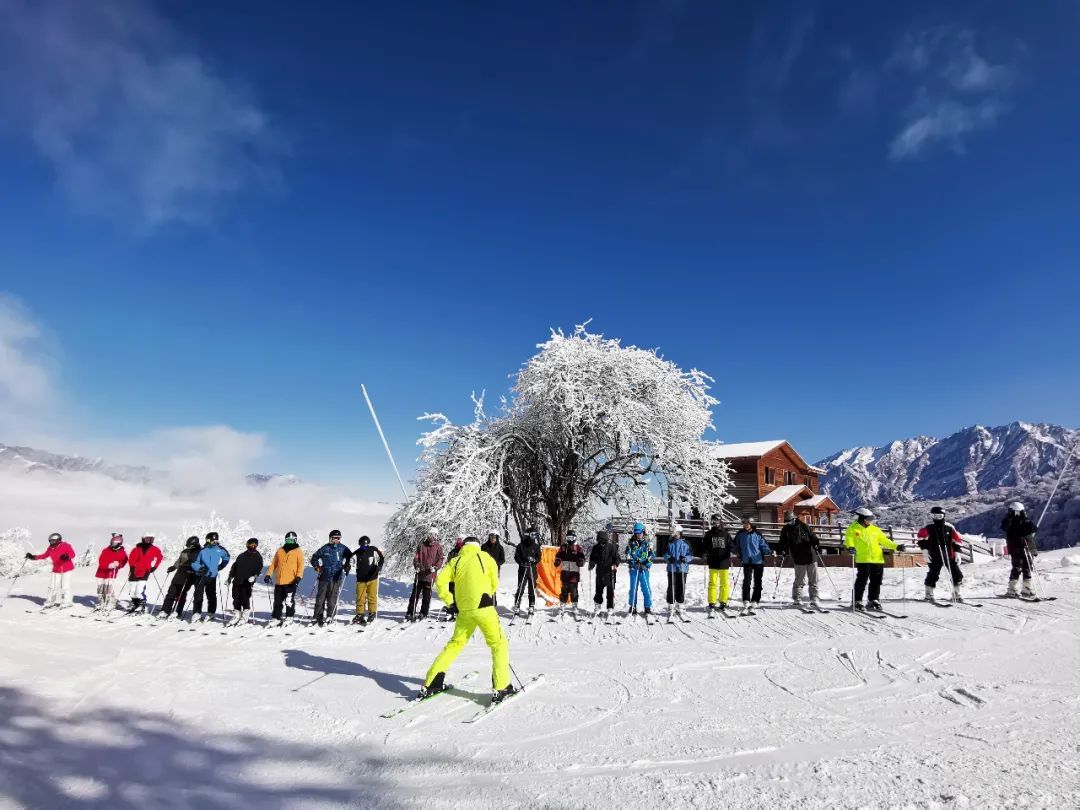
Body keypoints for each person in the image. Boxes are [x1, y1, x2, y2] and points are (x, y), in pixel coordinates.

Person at [418, 536, 514, 704]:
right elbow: (494, 581)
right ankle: (502, 687)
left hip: (464, 610)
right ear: (477, 545)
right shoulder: (485, 557)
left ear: (463, 546)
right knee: (498, 644)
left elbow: (440, 581)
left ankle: (431, 683)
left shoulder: (455, 561)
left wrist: (451, 602)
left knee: (455, 643)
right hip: (484, 607)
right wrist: (487, 594)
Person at [843, 507, 898, 611]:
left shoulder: (875, 529)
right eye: (868, 519)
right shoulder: (853, 528)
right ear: (860, 518)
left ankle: (873, 600)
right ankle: (857, 601)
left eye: (871, 519)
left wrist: (896, 546)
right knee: (861, 581)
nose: (870, 521)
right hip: (863, 559)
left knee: (876, 581)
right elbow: (849, 540)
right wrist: (851, 547)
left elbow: (884, 541)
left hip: (877, 559)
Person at [917, 507, 965, 602]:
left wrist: (957, 553)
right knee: (933, 574)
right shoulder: (928, 527)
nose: (937, 518)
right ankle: (929, 594)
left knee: (957, 574)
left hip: (949, 555)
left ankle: (956, 593)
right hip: (934, 555)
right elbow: (921, 540)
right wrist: (925, 552)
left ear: (943, 516)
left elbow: (957, 540)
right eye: (934, 516)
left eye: (939, 516)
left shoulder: (949, 527)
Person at [776, 511, 821, 607]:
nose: (788, 523)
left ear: (794, 519)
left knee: (813, 579)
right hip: (798, 557)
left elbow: (813, 537)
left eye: (789, 521)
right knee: (799, 580)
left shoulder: (804, 526)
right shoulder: (786, 530)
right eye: (786, 521)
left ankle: (814, 598)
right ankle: (797, 598)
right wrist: (783, 550)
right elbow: (782, 542)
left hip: (811, 557)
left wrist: (816, 544)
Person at [26, 532, 77, 609]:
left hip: (66, 569)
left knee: (65, 586)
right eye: (50, 541)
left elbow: (72, 554)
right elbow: (44, 555)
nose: (51, 542)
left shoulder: (66, 545)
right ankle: (50, 602)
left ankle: (67, 602)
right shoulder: (50, 548)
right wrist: (33, 557)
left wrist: (67, 556)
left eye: (53, 541)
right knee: (52, 586)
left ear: (58, 540)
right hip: (56, 569)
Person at [310, 529, 350, 626]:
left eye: (338, 538)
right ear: (330, 538)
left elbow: (350, 558)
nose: (336, 540)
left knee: (332, 599)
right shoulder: (325, 548)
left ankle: (330, 616)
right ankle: (318, 616)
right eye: (334, 538)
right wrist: (317, 567)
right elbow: (314, 558)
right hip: (324, 577)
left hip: (336, 578)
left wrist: (347, 565)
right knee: (320, 599)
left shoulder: (343, 548)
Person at [265, 531, 306, 625]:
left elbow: (301, 566)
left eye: (292, 540)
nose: (290, 542)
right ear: (285, 540)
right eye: (288, 540)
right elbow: (273, 564)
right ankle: (276, 618)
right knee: (277, 601)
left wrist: (298, 577)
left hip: (291, 581)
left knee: (289, 601)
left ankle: (289, 617)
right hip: (279, 581)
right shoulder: (280, 550)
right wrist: (268, 574)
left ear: (295, 540)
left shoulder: (298, 551)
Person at [189, 532, 231, 622]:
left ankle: (211, 613)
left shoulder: (220, 549)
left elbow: (227, 557)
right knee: (198, 595)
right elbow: (194, 562)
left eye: (216, 540)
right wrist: (199, 568)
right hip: (201, 576)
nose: (215, 542)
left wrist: (221, 566)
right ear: (208, 540)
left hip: (212, 576)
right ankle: (197, 613)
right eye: (213, 540)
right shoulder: (202, 550)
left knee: (211, 595)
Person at [1001, 501, 1038, 598]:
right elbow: (1005, 527)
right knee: (1017, 567)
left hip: (1027, 547)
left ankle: (1027, 588)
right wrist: (1014, 520)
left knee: (1028, 567)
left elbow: (1033, 529)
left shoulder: (1025, 520)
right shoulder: (1009, 521)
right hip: (1016, 547)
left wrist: (1026, 521)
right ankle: (1012, 589)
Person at [699, 514, 734, 616]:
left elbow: (731, 545)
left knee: (724, 584)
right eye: (714, 521)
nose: (715, 523)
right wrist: (704, 553)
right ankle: (712, 602)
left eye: (717, 521)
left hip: (724, 562)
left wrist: (732, 551)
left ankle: (723, 602)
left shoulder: (726, 533)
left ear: (720, 521)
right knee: (712, 583)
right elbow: (704, 546)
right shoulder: (709, 534)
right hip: (713, 562)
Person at [407, 529, 445, 621]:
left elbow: (440, 559)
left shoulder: (438, 547)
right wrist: (417, 566)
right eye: (430, 534)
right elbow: (416, 558)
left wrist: (435, 567)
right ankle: (410, 612)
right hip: (420, 574)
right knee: (414, 595)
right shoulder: (421, 545)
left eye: (433, 535)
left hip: (430, 575)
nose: (431, 536)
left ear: (436, 536)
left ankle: (423, 613)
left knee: (426, 596)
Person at [159, 536, 201, 619]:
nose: (188, 547)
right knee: (172, 591)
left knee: (182, 593)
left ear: (195, 544)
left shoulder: (201, 552)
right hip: (180, 572)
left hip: (191, 573)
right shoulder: (185, 551)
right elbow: (179, 560)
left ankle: (178, 611)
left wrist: (197, 569)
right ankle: (165, 610)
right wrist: (174, 567)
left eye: (190, 546)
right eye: (187, 546)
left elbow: (201, 563)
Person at [735, 516, 770, 614]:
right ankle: (746, 600)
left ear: (752, 524)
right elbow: (735, 546)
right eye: (744, 523)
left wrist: (769, 551)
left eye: (747, 524)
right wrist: (738, 553)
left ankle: (755, 600)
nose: (745, 525)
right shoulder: (740, 534)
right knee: (747, 581)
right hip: (746, 561)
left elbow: (764, 545)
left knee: (757, 581)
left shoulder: (757, 534)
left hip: (758, 561)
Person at [227, 537, 264, 624]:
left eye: (255, 545)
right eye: (251, 545)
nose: (253, 546)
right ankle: (237, 615)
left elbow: (259, 569)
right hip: (237, 580)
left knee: (245, 598)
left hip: (247, 581)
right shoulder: (241, 556)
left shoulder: (258, 557)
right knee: (236, 597)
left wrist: (254, 577)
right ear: (247, 545)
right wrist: (230, 577)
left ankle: (245, 616)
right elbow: (234, 567)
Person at [350, 535, 384, 625]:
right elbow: (350, 561)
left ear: (368, 544)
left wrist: (379, 566)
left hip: (372, 578)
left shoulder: (373, 550)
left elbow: (381, 558)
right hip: (361, 579)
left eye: (365, 545)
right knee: (360, 597)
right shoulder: (357, 553)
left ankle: (372, 612)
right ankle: (360, 614)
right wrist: (347, 566)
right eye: (362, 546)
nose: (364, 547)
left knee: (372, 596)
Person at [126, 534, 163, 614]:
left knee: (139, 589)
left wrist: (155, 566)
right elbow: (131, 558)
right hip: (134, 571)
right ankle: (135, 604)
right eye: (146, 539)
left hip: (145, 570)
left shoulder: (154, 549)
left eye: (150, 539)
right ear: (143, 539)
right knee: (132, 591)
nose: (148, 540)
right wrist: (132, 567)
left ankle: (141, 605)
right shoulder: (136, 548)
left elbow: (159, 557)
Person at [588, 529, 621, 619]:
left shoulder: (611, 547)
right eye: (598, 540)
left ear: (605, 540)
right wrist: (591, 563)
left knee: (610, 591)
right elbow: (593, 558)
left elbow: (617, 557)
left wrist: (615, 563)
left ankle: (610, 607)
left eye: (601, 540)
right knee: (598, 590)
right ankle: (597, 606)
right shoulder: (596, 547)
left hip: (610, 572)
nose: (600, 542)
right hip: (600, 572)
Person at [554, 529, 585, 616]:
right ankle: (562, 606)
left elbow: (582, 557)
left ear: (575, 538)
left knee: (574, 591)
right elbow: (558, 556)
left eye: (572, 537)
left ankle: (575, 606)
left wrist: (581, 561)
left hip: (574, 574)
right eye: (568, 537)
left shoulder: (578, 548)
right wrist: (557, 561)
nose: (570, 539)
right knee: (564, 590)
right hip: (565, 573)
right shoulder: (563, 547)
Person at [511, 526, 541, 617]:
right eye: (533, 535)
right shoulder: (521, 546)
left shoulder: (536, 546)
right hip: (522, 570)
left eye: (535, 535)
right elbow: (516, 557)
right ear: (528, 535)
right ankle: (517, 606)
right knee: (520, 588)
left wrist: (534, 560)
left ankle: (531, 606)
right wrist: (522, 562)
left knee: (531, 589)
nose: (534, 537)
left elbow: (539, 557)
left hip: (532, 570)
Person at [626, 522, 654, 618]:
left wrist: (646, 564)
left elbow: (651, 555)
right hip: (634, 569)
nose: (638, 535)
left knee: (646, 588)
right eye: (636, 532)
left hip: (644, 569)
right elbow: (628, 555)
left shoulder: (648, 543)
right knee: (633, 588)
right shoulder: (631, 543)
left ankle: (647, 607)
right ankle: (633, 606)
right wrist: (633, 563)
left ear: (643, 532)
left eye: (639, 532)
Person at [664, 524, 691, 620]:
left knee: (681, 586)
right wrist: (669, 558)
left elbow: (690, 555)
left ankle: (680, 605)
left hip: (682, 568)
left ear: (680, 533)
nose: (675, 535)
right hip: (672, 568)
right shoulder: (669, 543)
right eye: (674, 533)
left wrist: (685, 558)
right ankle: (671, 605)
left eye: (677, 533)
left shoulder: (686, 543)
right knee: (671, 586)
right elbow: (665, 554)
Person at [94, 534, 128, 611]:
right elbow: (101, 561)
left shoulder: (123, 553)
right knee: (100, 588)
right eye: (112, 542)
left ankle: (109, 603)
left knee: (108, 587)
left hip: (111, 573)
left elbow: (124, 562)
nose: (112, 544)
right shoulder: (106, 550)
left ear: (119, 543)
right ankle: (101, 602)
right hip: (101, 572)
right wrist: (108, 565)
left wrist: (118, 564)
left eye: (114, 543)